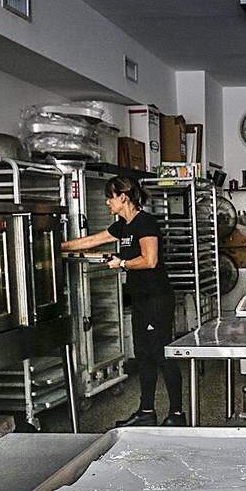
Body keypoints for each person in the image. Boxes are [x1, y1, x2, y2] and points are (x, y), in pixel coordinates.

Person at [62, 176, 184, 427]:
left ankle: (177, 415)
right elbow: (92, 241)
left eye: (110, 197)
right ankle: (147, 412)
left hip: (156, 299)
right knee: (143, 355)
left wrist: (123, 263)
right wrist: (57, 246)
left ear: (123, 197)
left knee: (162, 354)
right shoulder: (122, 226)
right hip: (140, 299)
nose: (107, 202)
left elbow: (149, 260)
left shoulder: (145, 222)